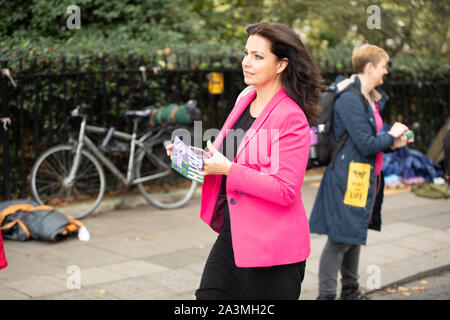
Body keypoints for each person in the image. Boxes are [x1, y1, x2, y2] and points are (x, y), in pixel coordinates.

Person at [167, 21, 322, 299]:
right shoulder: (245, 97)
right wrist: (193, 157)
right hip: (233, 235)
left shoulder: (292, 117)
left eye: (258, 56)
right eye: (246, 53)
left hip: (273, 251)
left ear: (281, 65)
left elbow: (285, 190)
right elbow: (228, 157)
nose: (246, 62)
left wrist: (227, 168)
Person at [309, 44, 412, 300]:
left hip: (365, 177)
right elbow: (366, 144)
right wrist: (391, 133)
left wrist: (391, 143)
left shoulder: (369, 98)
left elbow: (368, 143)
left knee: (353, 235)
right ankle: (326, 296)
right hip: (349, 177)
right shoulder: (350, 100)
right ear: (369, 67)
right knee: (340, 240)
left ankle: (351, 292)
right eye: (383, 66)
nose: (385, 72)